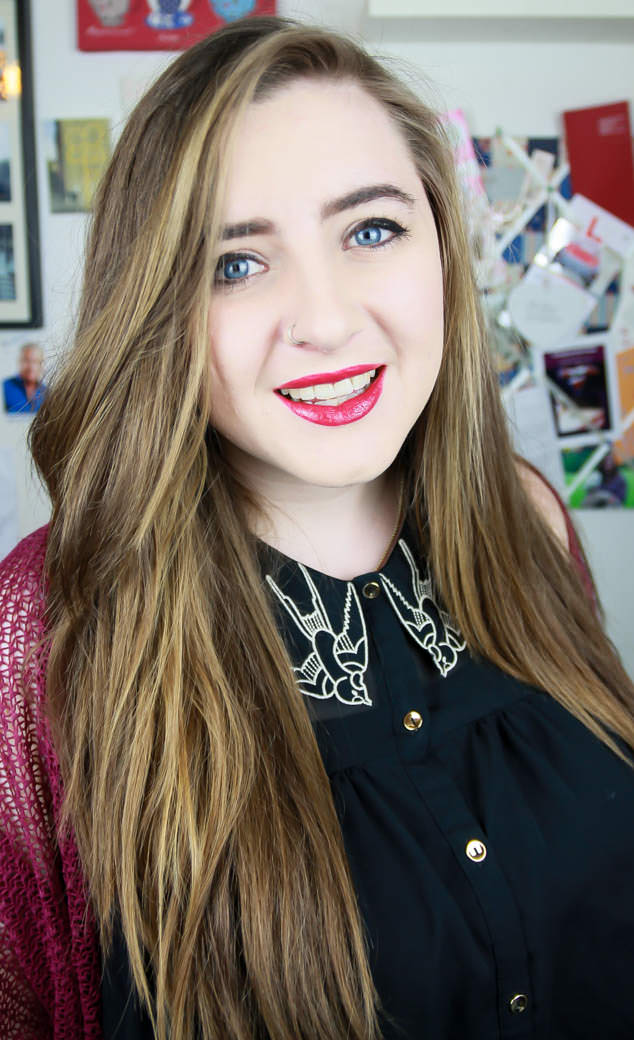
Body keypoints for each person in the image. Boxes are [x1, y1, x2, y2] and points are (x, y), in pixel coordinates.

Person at [1, 15, 633, 1040]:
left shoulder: (528, 515)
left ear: (440, 247)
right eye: (235, 263)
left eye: (370, 230)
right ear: (158, 307)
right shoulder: (44, 629)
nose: (328, 320)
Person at [2, 341, 46, 414]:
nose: (30, 367)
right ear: (19, 362)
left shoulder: (47, 393)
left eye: (35, 361)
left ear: (41, 364)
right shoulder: (4, 387)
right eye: (26, 360)